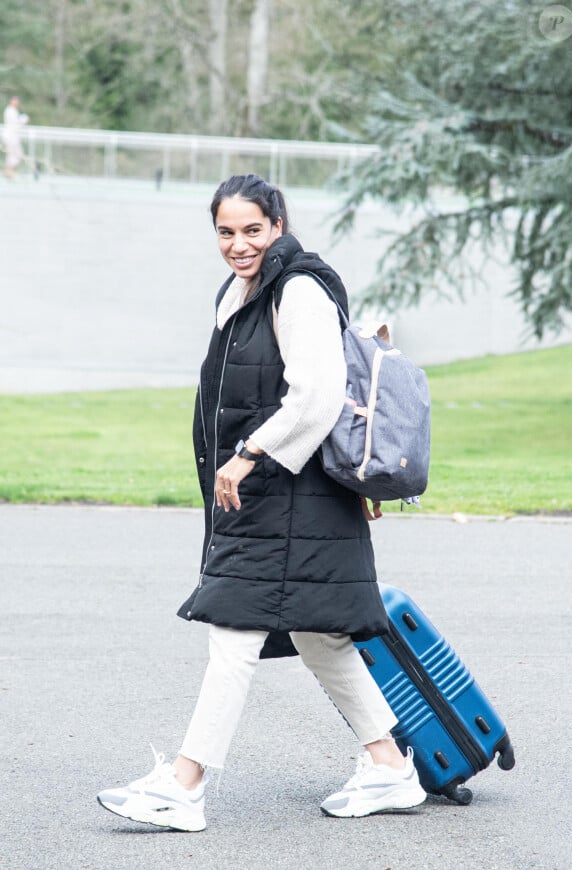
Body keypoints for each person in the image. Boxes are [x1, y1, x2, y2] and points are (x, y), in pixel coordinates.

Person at [97, 174, 426, 832]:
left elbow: (317, 393)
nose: (238, 243)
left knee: (234, 630)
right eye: (226, 231)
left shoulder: (297, 289)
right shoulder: (242, 290)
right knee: (317, 635)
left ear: (278, 223)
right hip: (276, 494)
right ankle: (390, 767)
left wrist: (248, 454)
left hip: (286, 491)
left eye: (252, 229)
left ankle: (184, 784)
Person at [2, 96, 29, 181]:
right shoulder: (10, 111)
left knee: (15, 155)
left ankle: (9, 172)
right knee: (15, 155)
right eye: (15, 101)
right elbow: (15, 125)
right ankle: (9, 173)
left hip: (13, 137)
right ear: (11, 101)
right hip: (11, 137)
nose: (16, 103)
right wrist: (23, 121)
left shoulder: (13, 111)